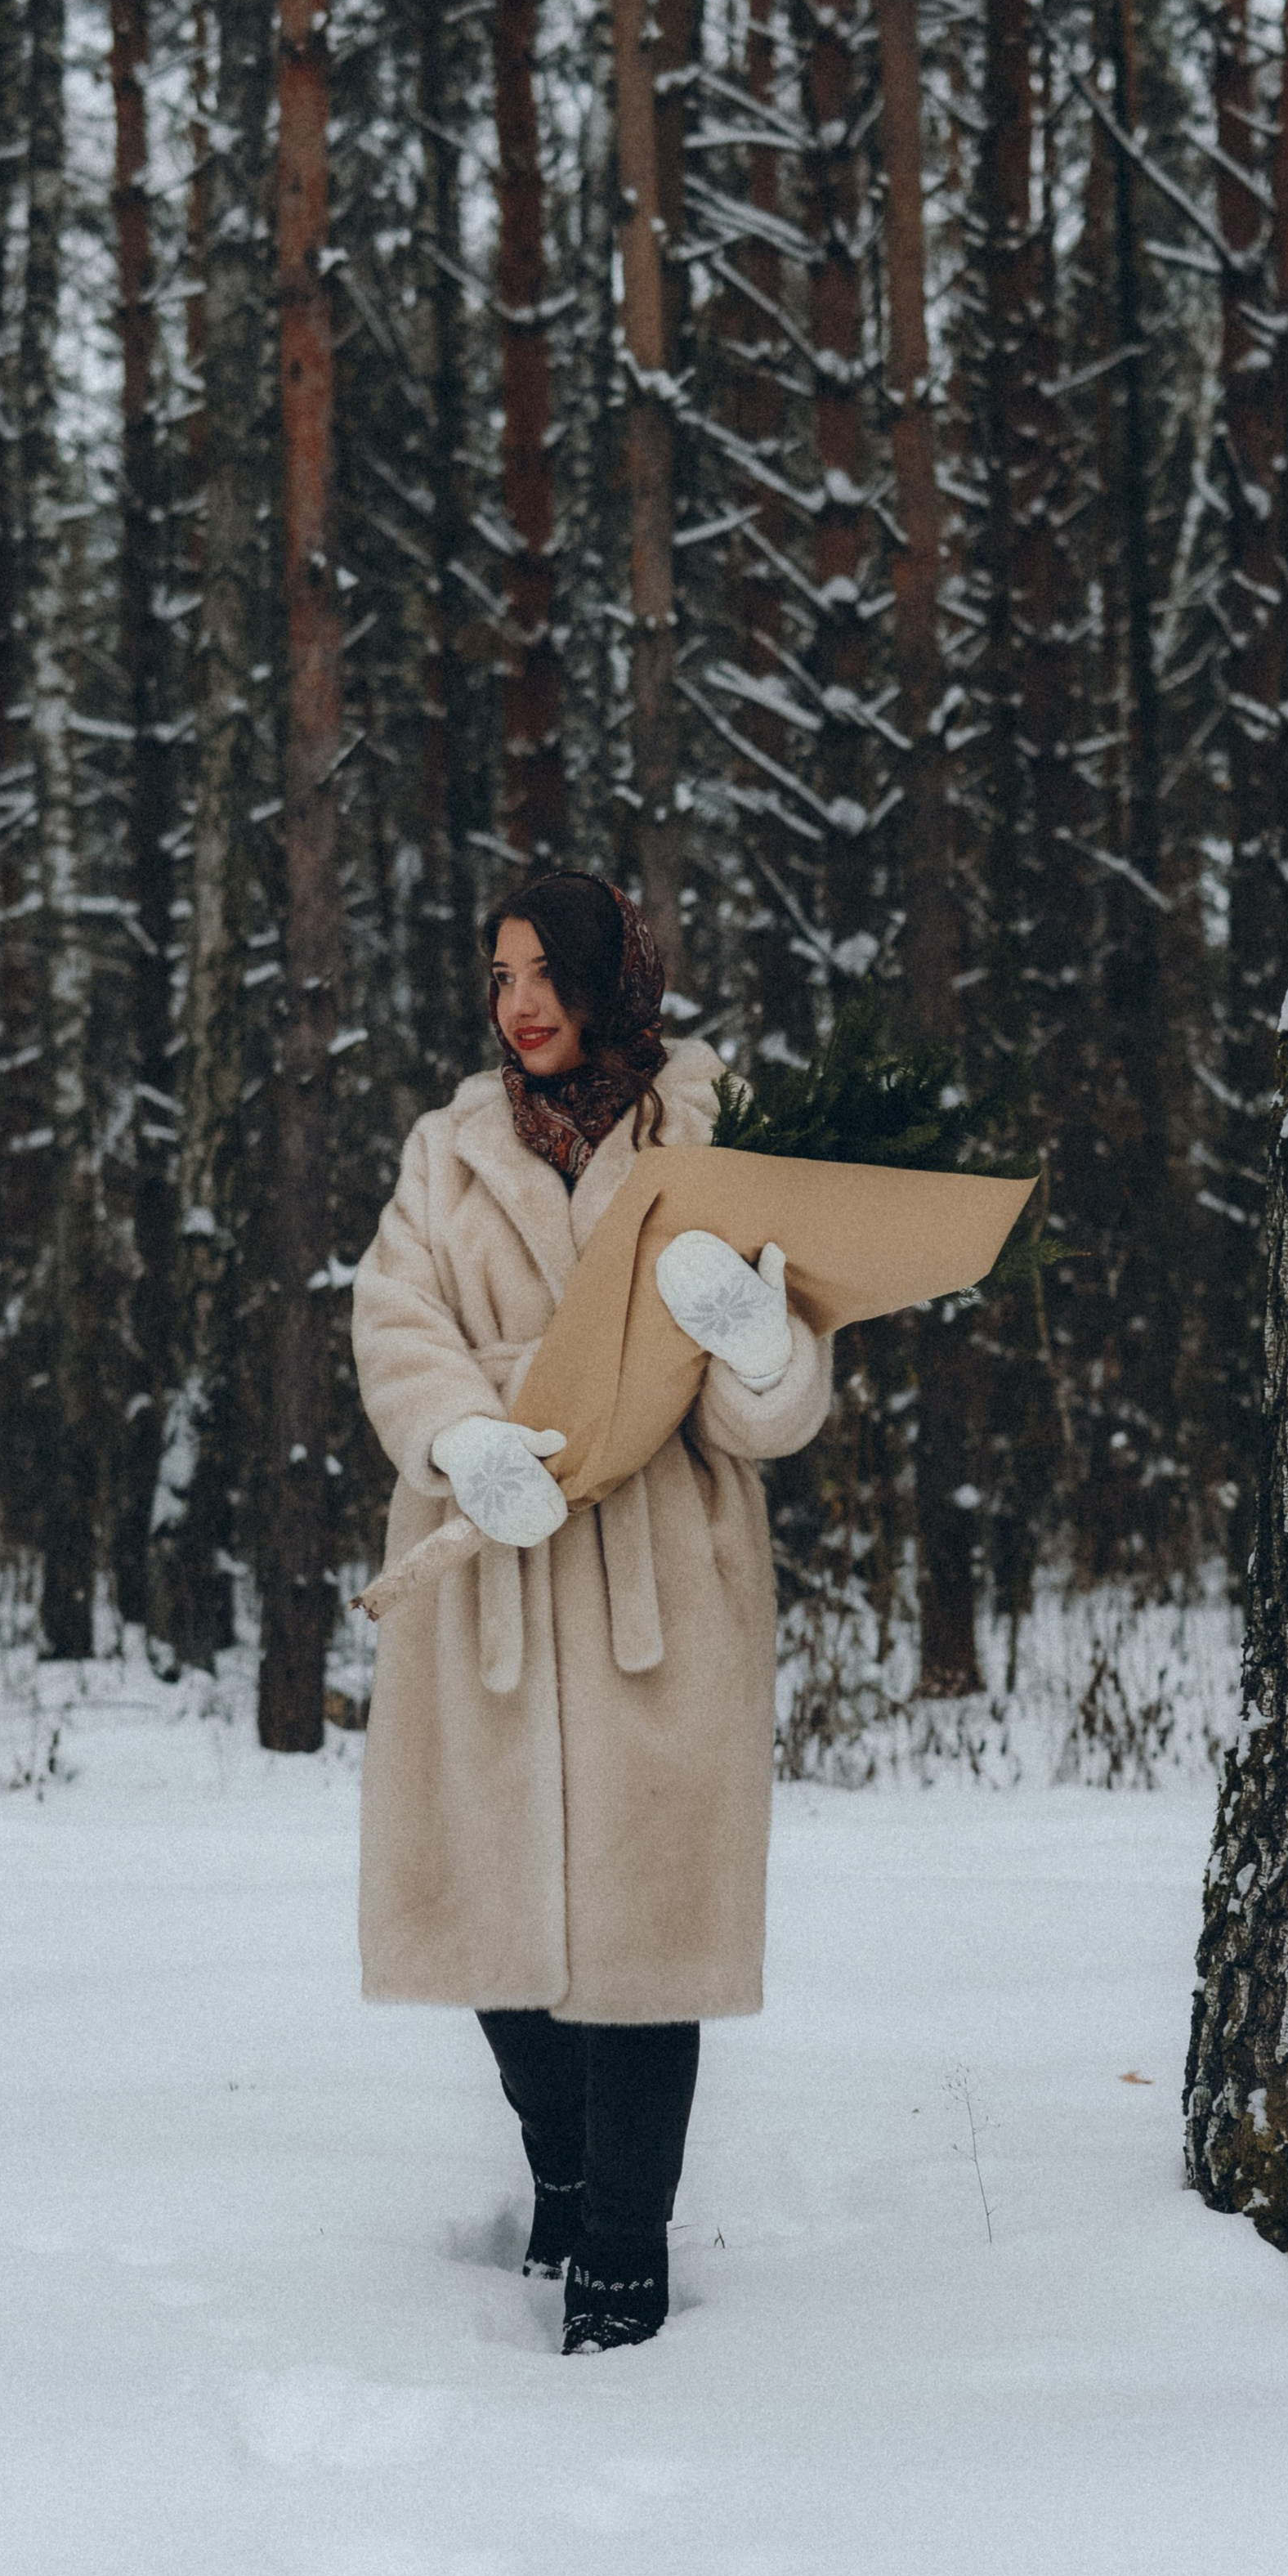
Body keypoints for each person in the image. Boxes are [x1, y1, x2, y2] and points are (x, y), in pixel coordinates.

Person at [350, 874, 833, 2353]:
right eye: (500, 977)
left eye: (547, 972)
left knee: (649, 1926)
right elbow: (394, 1317)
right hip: (490, 1559)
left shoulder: (714, 1133)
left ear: (618, 978)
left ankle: (626, 2233)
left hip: (661, 1576)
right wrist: (457, 1440)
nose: (521, 1005)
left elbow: (783, 1403)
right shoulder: (448, 1153)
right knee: (495, 1911)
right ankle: (558, 2163)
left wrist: (757, 1345)